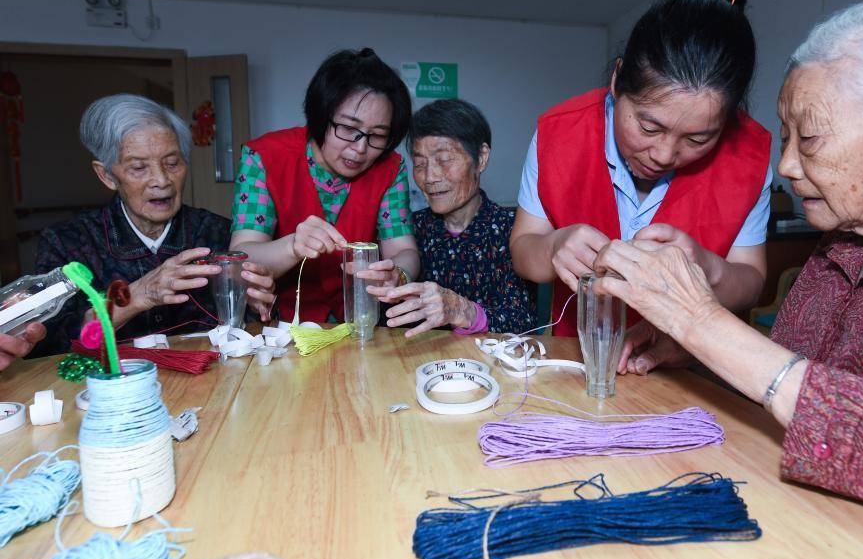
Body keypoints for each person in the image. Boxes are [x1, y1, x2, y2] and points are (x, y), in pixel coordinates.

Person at [594, 0, 863, 531]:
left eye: (811, 139)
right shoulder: (841, 241)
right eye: (787, 136)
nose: (787, 165)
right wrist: (700, 352)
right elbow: (798, 383)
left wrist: (702, 322)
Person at [511, 0, 772, 336]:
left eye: (699, 139)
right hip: (580, 359)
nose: (664, 155)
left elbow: (750, 282)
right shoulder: (559, 133)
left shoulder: (749, 155)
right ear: (618, 81)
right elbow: (523, 251)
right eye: (649, 126)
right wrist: (553, 248)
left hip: (694, 368)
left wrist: (709, 268)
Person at [33, 94, 276, 356]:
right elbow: (49, 343)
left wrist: (255, 303)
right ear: (106, 175)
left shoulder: (218, 233)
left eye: (172, 163)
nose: (161, 180)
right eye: (139, 167)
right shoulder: (68, 243)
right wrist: (137, 296)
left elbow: (260, 331)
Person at [230, 49, 419, 323]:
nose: (360, 148)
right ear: (321, 114)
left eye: (377, 136)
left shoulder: (390, 168)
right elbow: (242, 255)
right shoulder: (265, 157)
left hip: (359, 322)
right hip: (282, 327)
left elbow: (405, 251)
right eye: (347, 129)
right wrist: (293, 245)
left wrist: (397, 274)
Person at [372, 99, 535, 337]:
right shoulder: (409, 233)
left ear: (481, 158)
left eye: (444, 160)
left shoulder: (513, 231)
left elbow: (525, 321)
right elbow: (385, 320)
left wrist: (465, 312)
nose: (430, 176)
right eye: (419, 163)